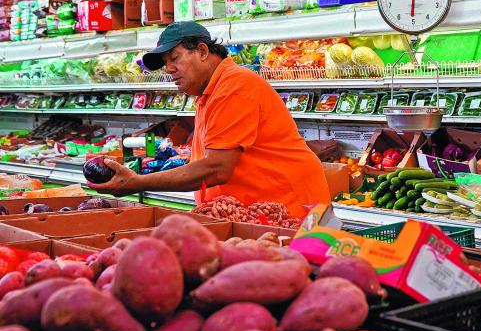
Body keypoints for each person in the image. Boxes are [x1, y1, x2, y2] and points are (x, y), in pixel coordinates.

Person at [88, 22, 330, 217]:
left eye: (175, 58)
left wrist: (137, 183)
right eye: (165, 64)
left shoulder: (234, 86)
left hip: (290, 212)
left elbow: (217, 169)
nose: (169, 69)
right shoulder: (208, 93)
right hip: (258, 212)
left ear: (203, 51)